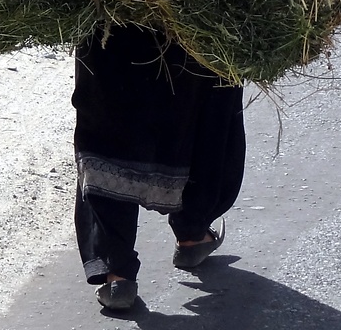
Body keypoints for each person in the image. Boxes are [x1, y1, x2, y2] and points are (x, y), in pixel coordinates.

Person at [73, 24, 246, 311]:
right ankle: (193, 231)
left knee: (109, 109)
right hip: (193, 9)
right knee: (202, 96)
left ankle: (118, 273)